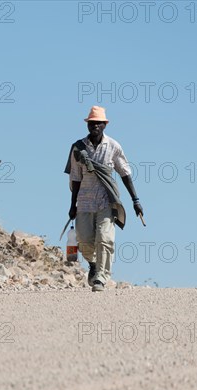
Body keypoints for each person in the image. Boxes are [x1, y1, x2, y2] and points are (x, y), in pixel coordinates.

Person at [64, 106, 143, 292]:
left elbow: (125, 173)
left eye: (98, 123)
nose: (95, 126)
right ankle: (92, 264)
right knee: (83, 239)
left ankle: (101, 277)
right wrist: (72, 205)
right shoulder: (78, 148)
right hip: (84, 201)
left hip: (106, 201)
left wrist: (135, 200)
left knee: (105, 239)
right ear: (88, 125)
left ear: (105, 125)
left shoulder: (114, 147)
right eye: (92, 123)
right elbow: (75, 178)